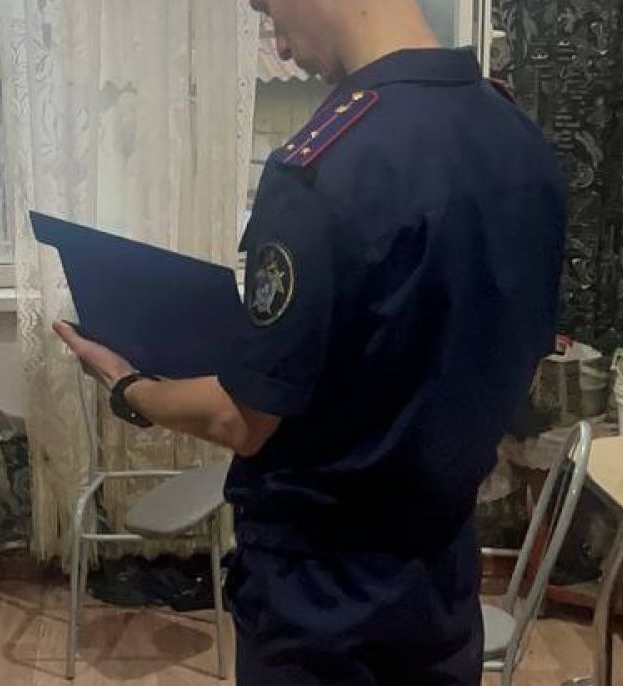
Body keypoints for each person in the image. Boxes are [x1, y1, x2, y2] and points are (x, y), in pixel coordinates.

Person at [55, 0, 566, 683]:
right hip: (441, 580)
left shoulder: (325, 164)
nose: (283, 48)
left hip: (324, 599)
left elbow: (241, 420)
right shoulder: (520, 142)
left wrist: (127, 386)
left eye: (270, 12)